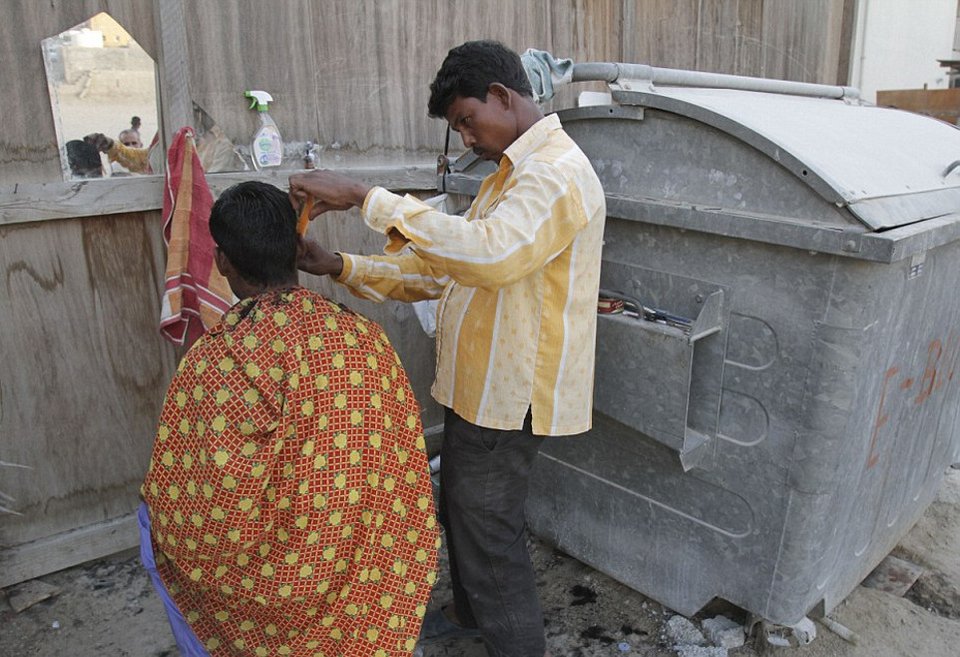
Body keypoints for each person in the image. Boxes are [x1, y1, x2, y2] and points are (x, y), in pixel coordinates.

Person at [288, 40, 606, 657]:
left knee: (489, 534)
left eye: (467, 120)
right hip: (476, 388)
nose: (466, 138)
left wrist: (366, 198)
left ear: (501, 96)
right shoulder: (506, 178)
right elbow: (440, 271)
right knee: (463, 510)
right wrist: (340, 265)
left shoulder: (555, 173)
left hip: (507, 398)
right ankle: (468, 614)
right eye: (458, 127)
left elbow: (490, 256)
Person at [139, 181, 440, 657]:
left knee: (150, 521)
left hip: (263, 587)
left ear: (223, 262)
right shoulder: (364, 339)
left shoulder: (211, 361)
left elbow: (189, 485)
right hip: (360, 570)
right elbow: (401, 466)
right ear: (299, 248)